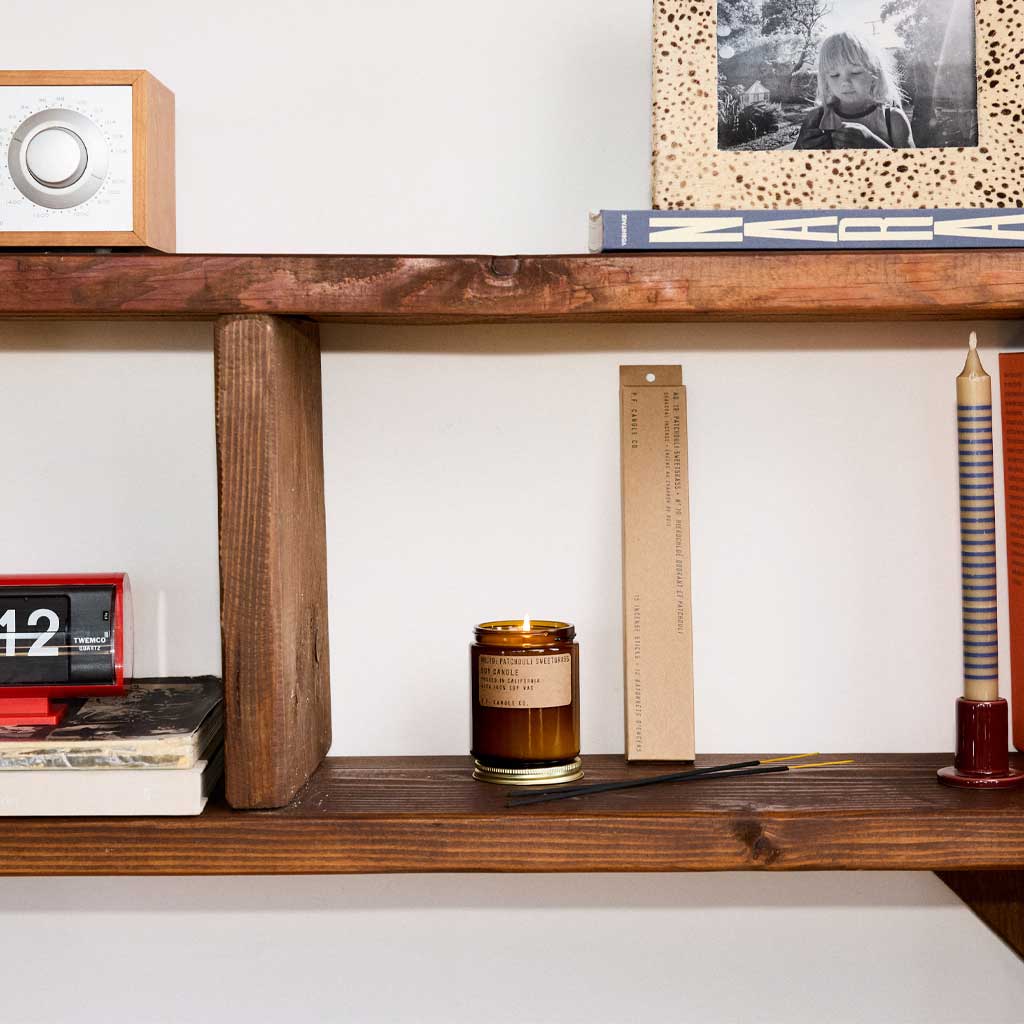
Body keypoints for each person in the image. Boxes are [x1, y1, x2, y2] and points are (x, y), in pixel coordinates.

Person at [795, 31, 914, 150]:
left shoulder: (893, 119)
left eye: (855, 72)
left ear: (875, 74)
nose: (845, 82)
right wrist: (803, 147)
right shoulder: (816, 118)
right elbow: (788, 165)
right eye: (835, 75)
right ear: (826, 81)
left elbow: (915, 165)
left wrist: (873, 145)